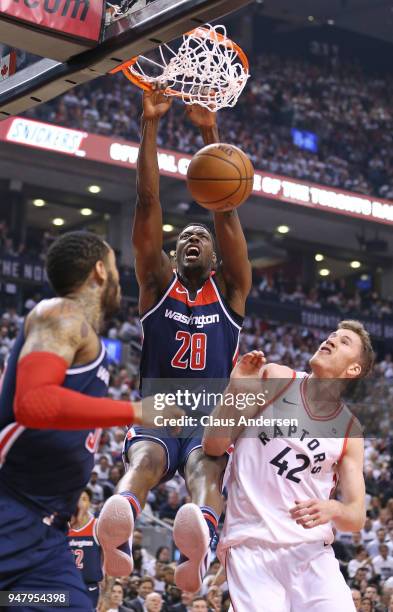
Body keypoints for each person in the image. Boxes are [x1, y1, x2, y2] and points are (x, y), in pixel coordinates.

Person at [98, 86, 251, 593]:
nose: (190, 237)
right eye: (182, 237)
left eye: (199, 237)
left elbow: (226, 209)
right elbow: (147, 200)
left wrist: (210, 133)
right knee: (146, 462)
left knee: (204, 468)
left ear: (214, 258)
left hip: (207, 416)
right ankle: (117, 524)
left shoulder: (231, 290)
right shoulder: (155, 284)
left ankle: (198, 531)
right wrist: (150, 123)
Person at [0, 231, 183, 610]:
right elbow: (33, 403)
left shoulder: (83, 339)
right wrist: (134, 411)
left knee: (68, 604)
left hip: (46, 537)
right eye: (116, 268)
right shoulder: (61, 314)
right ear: (100, 270)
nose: (120, 278)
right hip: (10, 508)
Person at [203, 320, 374, 611]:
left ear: (353, 370)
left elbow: (356, 516)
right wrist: (235, 389)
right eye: (332, 335)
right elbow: (214, 445)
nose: (331, 339)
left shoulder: (349, 430)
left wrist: (334, 508)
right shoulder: (278, 378)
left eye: (344, 341)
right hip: (253, 545)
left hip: (310, 553)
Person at [68, 488, 103, 609]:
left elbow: (108, 559)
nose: (80, 503)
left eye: (84, 499)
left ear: (89, 503)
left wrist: (105, 592)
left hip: (89, 586)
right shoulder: (61, 526)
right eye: (77, 498)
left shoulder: (98, 526)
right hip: (66, 584)